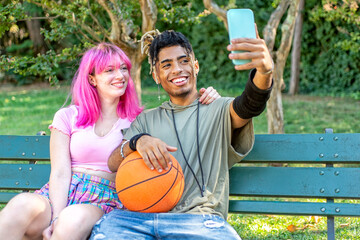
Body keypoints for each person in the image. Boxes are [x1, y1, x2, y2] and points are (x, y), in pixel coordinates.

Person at [0, 43, 219, 240]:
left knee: (71, 221)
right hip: (62, 191)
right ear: (92, 78)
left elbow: (181, 110)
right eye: (110, 70)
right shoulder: (68, 116)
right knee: (21, 206)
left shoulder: (139, 119)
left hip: (104, 197)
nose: (120, 75)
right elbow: (59, 173)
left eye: (123, 68)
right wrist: (55, 216)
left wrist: (208, 97)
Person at [90, 28, 273, 240]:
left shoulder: (219, 108)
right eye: (166, 65)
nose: (177, 69)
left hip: (200, 221)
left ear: (195, 66)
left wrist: (265, 72)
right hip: (139, 220)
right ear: (156, 76)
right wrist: (136, 142)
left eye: (184, 61)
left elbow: (250, 104)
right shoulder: (145, 120)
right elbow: (114, 163)